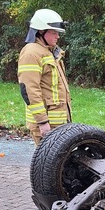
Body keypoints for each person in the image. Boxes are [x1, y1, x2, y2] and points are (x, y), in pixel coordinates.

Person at [18, 9, 72, 145]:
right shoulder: (31, 53)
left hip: (58, 123)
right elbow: (29, 89)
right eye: (54, 32)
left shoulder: (49, 52)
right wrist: (42, 122)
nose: (57, 36)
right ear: (41, 31)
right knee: (46, 159)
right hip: (47, 125)